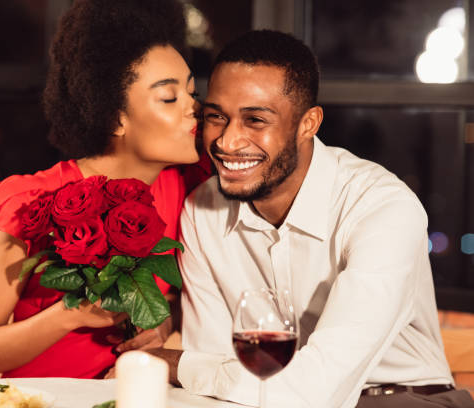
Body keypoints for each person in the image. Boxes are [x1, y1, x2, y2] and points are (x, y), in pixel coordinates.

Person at [147, 30, 474, 408]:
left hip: (403, 398)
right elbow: (212, 367)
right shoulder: (202, 210)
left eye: (255, 120)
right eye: (216, 117)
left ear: (308, 123)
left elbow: (318, 388)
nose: (226, 141)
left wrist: (177, 364)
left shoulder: (383, 206)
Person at [0, 0, 209, 379]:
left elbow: (175, 298)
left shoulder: (180, 188)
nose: (194, 107)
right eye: (170, 97)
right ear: (116, 117)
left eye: (191, 92)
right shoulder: (36, 203)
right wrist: (71, 314)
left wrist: (163, 324)